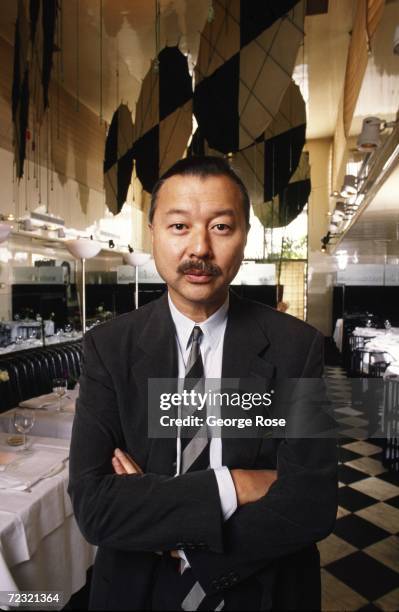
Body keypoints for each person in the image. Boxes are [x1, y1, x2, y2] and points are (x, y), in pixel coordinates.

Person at [68, 156, 337, 611]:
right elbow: (96, 507)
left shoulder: (297, 348)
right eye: (178, 226)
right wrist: (233, 485)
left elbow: (311, 501)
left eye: (221, 227)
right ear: (152, 232)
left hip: (261, 592)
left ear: (245, 236)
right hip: (136, 592)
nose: (199, 250)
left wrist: (177, 534)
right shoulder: (107, 349)